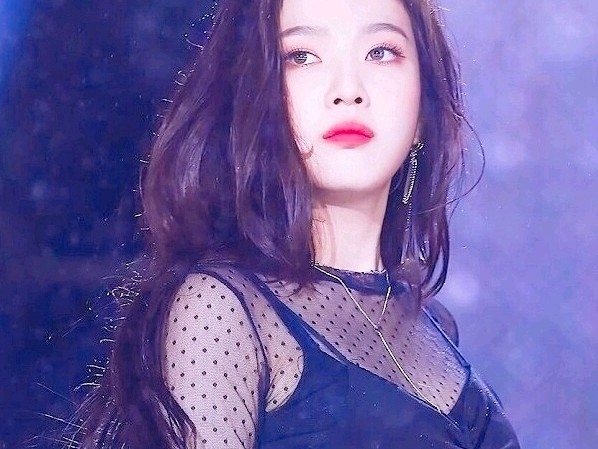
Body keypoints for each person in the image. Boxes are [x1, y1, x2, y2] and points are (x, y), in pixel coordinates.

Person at [69, 0, 520, 447]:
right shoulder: (221, 309)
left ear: (424, 106)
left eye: (380, 52)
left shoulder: (432, 324)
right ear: (257, 97)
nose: (348, 89)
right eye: (302, 56)